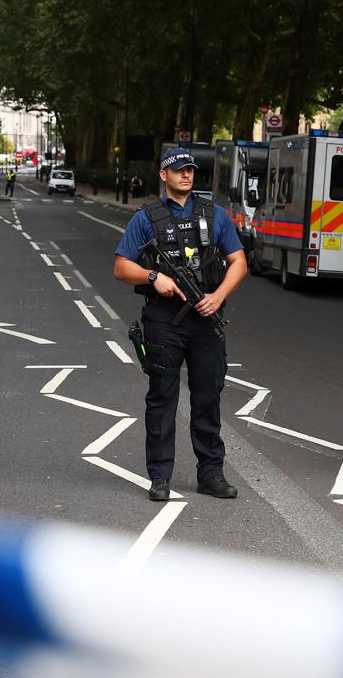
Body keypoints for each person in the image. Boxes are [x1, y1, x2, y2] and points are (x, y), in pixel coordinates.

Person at [114, 148, 248, 502]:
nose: (186, 175)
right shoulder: (146, 218)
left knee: (208, 398)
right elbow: (121, 267)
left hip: (206, 318)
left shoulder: (214, 215)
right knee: (162, 398)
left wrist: (218, 296)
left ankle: (211, 475)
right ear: (163, 175)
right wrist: (153, 275)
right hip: (163, 319)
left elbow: (238, 261)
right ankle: (160, 478)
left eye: (190, 170)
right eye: (178, 170)